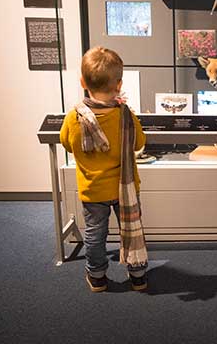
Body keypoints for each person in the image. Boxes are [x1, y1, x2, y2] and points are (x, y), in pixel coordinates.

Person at [60, 46, 148, 292]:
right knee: (131, 229)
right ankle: (138, 275)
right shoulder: (125, 115)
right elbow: (140, 143)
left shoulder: (73, 117)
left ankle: (97, 277)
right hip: (125, 189)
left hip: (92, 189)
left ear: (82, 81)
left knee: (94, 234)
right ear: (119, 85)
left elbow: (67, 143)